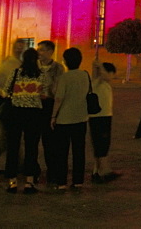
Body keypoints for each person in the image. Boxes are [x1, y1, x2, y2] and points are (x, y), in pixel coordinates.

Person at [3, 47, 45, 194]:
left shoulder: (15, 73)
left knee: (13, 146)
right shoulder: (41, 75)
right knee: (31, 147)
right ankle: (29, 181)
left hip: (15, 112)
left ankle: (12, 181)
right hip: (33, 114)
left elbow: (6, 90)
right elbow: (45, 93)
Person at [51, 47, 90, 191]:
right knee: (79, 151)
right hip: (81, 117)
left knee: (62, 152)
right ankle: (78, 180)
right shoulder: (85, 75)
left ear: (66, 61)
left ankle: (61, 182)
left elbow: (59, 98)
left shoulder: (65, 77)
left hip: (64, 119)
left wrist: (53, 116)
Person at [0, 39, 26, 175]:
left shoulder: (19, 63)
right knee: (5, 137)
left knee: (13, 136)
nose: (19, 50)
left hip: (17, 102)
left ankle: (18, 164)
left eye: (21, 47)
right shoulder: (6, 64)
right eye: (17, 47)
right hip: (8, 103)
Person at [35, 39, 65, 182]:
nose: (39, 52)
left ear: (50, 52)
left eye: (42, 49)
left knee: (49, 141)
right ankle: (33, 170)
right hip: (35, 105)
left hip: (48, 105)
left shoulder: (58, 68)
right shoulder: (34, 66)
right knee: (33, 139)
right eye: (38, 49)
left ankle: (52, 170)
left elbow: (58, 88)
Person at [90, 60, 120, 183]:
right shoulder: (99, 82)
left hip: (98, 117)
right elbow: (102, 75)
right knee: (102, 144)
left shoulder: (97, 83)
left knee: (98, 144)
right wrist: (100, 66)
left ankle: (96, 170)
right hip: (101, 117)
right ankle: (104, 171)